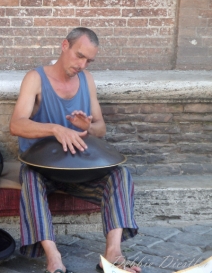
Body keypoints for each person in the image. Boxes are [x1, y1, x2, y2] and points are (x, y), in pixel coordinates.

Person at [10, 27, 141, 273]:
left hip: (81, 173)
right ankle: (54, 258)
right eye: (79, 56)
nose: (82, 64)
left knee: (120, 174)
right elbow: (16, 124)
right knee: (29, 177)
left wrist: (87, 126)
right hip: (45, 171)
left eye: (88, 60)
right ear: (64, 46)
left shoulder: (86, 79)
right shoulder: (35, 78)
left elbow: (101, 128)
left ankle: (113, 254)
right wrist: (56, 129)